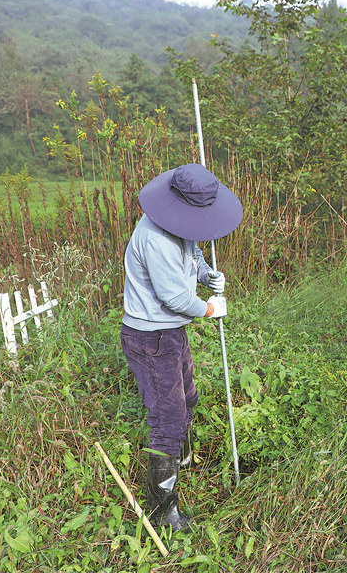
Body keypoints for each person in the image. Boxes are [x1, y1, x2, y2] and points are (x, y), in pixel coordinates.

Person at [120, 163, 243, 531]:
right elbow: (174, 296)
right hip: (151, 338)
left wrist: (206, 274)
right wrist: (208, 307)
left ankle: (180, 460)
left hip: (171, 334)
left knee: (188, 399)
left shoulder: (180, 223)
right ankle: (164, 512)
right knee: (168, 419)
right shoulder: (156, 238)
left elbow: (194, 253)